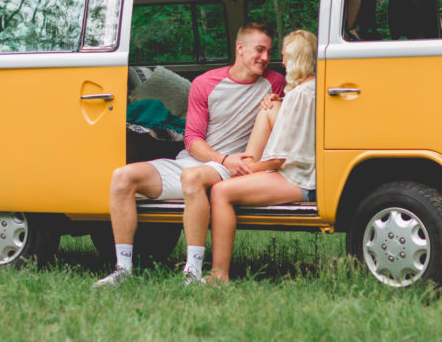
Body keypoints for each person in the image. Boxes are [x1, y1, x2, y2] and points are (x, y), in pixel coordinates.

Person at [94, 22, 286, 286]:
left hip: (230, 168)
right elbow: (192, 138)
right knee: (123, 177)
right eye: (260, 50)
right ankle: (123, 269)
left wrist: (278, 101)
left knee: (193, 177)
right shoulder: (205, 83)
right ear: (240, 48)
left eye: (269, 52)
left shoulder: (275, 82)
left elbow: (297, 105)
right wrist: (220, 158)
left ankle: (192, 272)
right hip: (201, 160)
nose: (265, 58)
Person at [208, 29, 317, 283]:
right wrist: (277, 101)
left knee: (220, 191)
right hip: (305, 173)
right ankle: (242, 165)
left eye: (284, 56)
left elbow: (279, 160)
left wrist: (250, 169)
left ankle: (219, 274)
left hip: (300, 179)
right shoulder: (310, 89)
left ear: (295, 57)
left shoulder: (300, 95)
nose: (281, 61)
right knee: (267, 110)